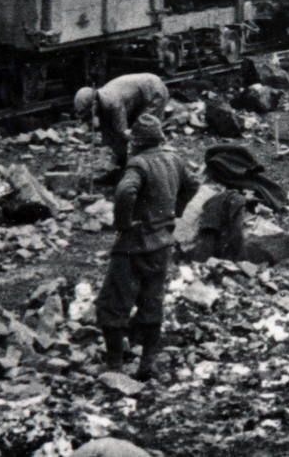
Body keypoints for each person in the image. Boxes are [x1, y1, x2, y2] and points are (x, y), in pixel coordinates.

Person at [96, 113, 199, 380]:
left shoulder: (138, 164)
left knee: (112, 303)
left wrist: (123, 223)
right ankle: (147, 363)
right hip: (163, 243)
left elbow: (124, 192)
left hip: (134, 244)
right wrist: (174, 213)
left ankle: (115, 364)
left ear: (137, 142)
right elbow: (194, 186)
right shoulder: (174, 159)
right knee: (152, 302)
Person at [74, 74, 170, 169]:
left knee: (144, 129)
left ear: (94, 105)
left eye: (89, 114)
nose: (90, 118)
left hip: (154, 92)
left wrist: (111, 162)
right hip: (140, 95)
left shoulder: (113, 103)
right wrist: (102, 160)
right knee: (124, 133)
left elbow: (122, 134)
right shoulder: (102, 100)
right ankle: (119, 170)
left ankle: (151, 167)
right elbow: (107, 133)